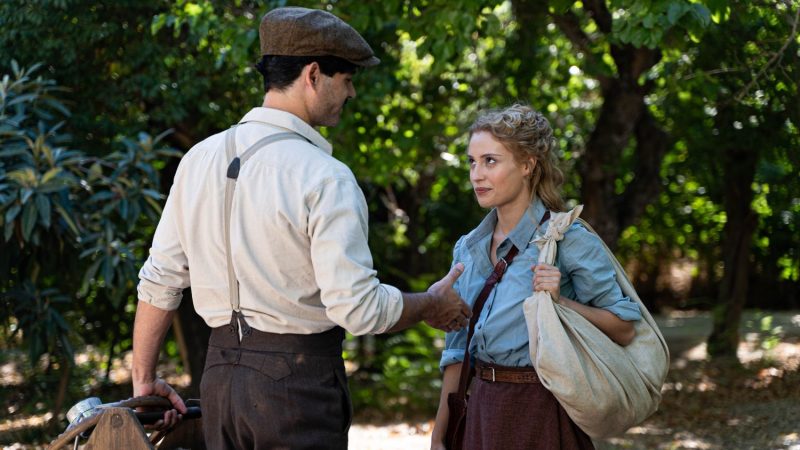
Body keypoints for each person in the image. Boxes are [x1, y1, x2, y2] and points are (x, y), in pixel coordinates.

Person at [131, 6, 471, 449]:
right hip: (296, 388)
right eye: (346, 79)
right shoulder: (324, 175)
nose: (350, 94)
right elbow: (358, 309)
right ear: (313, 75)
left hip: (219, 383)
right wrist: (428, 305)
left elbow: (160, 280)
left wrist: (143, 381)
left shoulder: (199, 158)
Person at [430, 104, 643, 450]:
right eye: (472, 161)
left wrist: (562, 302)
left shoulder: (568, 240)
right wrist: (440, 435)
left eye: (490, 161)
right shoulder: (467, 249)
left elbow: (624, 328)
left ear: (528, 165)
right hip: (480, 412)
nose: (476, 174)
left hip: (541, 413)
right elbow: (457, 355)